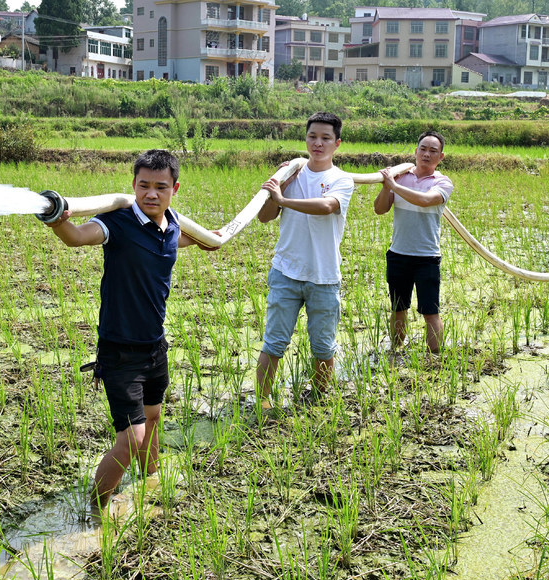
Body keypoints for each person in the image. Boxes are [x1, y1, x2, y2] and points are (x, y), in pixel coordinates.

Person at [42, 149, 216, 510]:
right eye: (143, 185)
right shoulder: (118, 222)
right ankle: (95, 510)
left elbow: (188, 240)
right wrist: (59, 220)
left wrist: (211, 238)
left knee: (153, 418)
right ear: (133, 185)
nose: (151, 194)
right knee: (131, 437)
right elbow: (77, 237)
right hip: (120, 350)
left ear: (174, 188)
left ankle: (150, 478)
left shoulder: (173, 227)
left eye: (160, 187)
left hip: (155, 346)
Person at [255, 112, 355, 406]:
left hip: (324, 277)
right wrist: (279, 191)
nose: (318, 143)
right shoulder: (290, 174)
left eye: (326, 138)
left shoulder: (342, 180)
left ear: (337, 143)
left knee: (323, 347)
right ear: (306, 138)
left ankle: (319, 397)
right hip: (286, 272)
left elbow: (327, 207)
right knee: (274, 343)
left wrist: (285, 200)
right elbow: (264, 217)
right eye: (313, 136)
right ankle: (261, 402)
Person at [373, 131, 453, 353]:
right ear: (416, 151)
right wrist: (387, 186)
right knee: (398, 308)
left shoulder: (442, 183)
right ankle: (395, 352)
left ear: (441, 156)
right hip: (398, 254)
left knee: (430, 311)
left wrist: (395, 186)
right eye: (423, 149)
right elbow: (380, 209)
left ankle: (435, 358)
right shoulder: (400, 177)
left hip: (427, 258)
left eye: (433, 151)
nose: (427, 154)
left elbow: (426, 201)